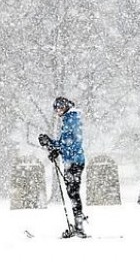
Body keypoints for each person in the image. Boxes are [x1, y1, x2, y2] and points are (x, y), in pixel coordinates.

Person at [39, 96, 86, 237]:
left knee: (73, 192)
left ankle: (79, 225)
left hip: (74, 161)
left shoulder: (72, 119)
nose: (57, 111)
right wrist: (55, 149)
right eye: (56, 109)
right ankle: (78, 224)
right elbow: (65, 142)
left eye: (59, 108)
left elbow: (70, 143)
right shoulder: (68, 119)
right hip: (71, 160)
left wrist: (52, 144)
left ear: (65, 106)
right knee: (72, 192)